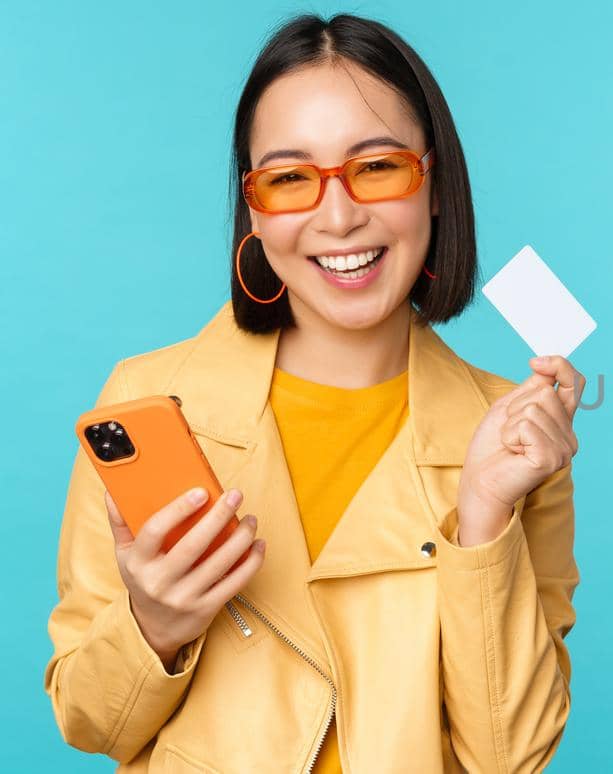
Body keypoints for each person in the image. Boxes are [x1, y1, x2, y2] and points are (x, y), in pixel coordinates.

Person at [43, 13, 584, 772]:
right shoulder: (150, 399)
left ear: (434, 186)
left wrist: (484, 518)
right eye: (291, 178)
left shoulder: (512, 439)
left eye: (378, 166)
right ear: (256, 210)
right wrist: (153, 624)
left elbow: (510, 757)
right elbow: (89, 722)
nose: (339, 217)